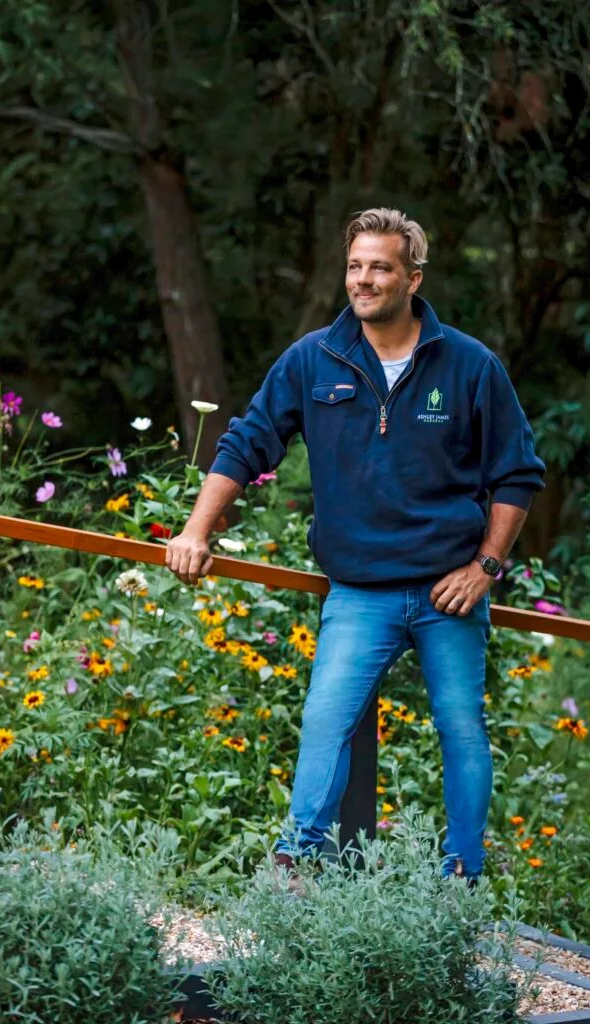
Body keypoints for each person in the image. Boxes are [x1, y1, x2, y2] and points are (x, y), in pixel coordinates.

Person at [165, 207, 546, 891]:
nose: (363, 280)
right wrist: (196, 530)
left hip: (446, 592)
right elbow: (247, 443)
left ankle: (462, 876)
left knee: (460, 730)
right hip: (359, 590)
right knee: (325, 721)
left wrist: (484, 567)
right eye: (354, 266)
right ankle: (296, 862)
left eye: (380, 267)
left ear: (412, 277)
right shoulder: (314, 359)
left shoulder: (468, 365)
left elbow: (516, 472)